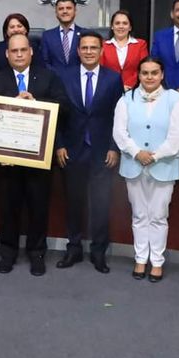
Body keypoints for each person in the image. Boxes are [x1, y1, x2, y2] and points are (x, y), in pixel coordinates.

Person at [0, 34, 69, 277]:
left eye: (24, 50)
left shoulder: (48, 77)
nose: (19, 54)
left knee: (38, 208)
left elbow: (64, 107)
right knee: (8, 208)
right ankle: (8, 254)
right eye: (14, 51)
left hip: (38, 159)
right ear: (7, 54)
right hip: (7, 159)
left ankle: (37, 255)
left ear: (31, 52)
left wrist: (36, 102)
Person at [113, 57, 179, 282]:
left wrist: (155, 155)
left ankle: (157, 261)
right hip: (133, 164)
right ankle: (140, 258)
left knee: (158, 215)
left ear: (162, 75)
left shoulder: (176, 100)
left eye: (154, 72)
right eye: (145, 73)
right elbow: (119, 133)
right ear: (138, 75)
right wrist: (137, 153)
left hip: (163, 165)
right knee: (139, 215)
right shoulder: (126, 99)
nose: (149, 77)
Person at [55, 31, 123, 273]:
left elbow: (119, 116)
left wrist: (115, 147)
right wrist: (59, 144)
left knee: (101, 205)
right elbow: (58, 113)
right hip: (72, 150)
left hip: (102, 151)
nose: (88, 51)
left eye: (93, 47)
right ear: (78, 50)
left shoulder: (113, 79)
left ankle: (98, 252)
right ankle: (73, 248)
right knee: (73, 203)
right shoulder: (64, 76)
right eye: (84, 47)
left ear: (101, 50)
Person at [39, 0, 90, 74]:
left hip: (79, 81)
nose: (65, 11)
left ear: (75, 11)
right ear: (56, 13)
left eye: (69, 8)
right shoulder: (47, 36)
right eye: (61, 9)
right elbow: (45, 62)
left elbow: (89, 60)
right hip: (55, 82)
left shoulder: (85, 34)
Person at [100, 9, 149, 91]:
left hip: (135, 90)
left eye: (125, 23)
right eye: (117, 23)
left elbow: (143, 68)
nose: (121, 26)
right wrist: (118, 87)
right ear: (112, 26)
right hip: (109, 90)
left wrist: (128, 85)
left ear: (130, 27)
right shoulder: (103, 46)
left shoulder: (140, 44)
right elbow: (101, 70)